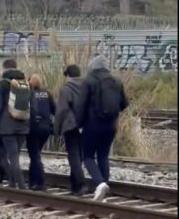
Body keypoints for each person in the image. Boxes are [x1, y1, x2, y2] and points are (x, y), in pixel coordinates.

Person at [75, 55, 129, 201]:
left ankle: (100, 183)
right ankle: (103, 188)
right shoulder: (117, 81)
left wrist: (78, 124)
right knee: (103, 156)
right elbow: (124, 104)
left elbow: (80, 105)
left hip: (92, 125)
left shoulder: (88, 81)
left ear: (92, 66)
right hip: (111, 126)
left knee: (87, 156)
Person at [0, 59, 30, 189]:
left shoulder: (2, 84)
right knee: (16, 153)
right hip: (23, 124)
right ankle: (12, 182)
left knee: (12, 156)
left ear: (4, 69)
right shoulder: (25, 83)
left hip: (7, 126)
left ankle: (21, 185)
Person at [54, 64, 87, 196]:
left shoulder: (66, 88)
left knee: (73, 156)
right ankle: (75, 186)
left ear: (68, 75)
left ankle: (81, 184)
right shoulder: (87, 87)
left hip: (71, 126)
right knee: (80, 157)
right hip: (86, 126)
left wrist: (56, 128)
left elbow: (61, 110)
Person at [26, 73, 56, 191]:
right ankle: (32, 180)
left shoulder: (29, 93)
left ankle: (39, 182)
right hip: (46, 128)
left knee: (34, 154)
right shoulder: (47, 93)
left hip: (33, 127)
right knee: (36, 153)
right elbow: (55, 110)